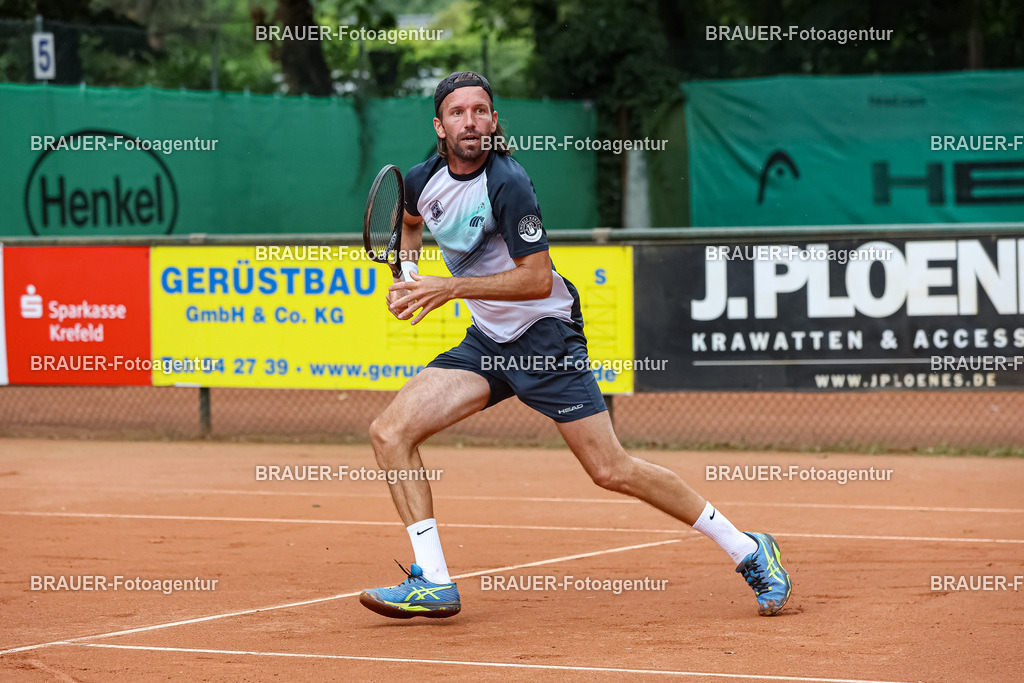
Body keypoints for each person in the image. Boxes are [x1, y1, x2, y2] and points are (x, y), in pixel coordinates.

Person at [358, 71, 791, 619]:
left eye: (481, 111)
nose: (471, 121)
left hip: (545, 337)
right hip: (488, 342)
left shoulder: (508, 183)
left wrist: (448, 288)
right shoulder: (422, 179)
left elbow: (536, 279)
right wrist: (412, 271)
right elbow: (411, 219)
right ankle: (435, 582)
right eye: (459, 113)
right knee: (389, 432)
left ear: (494, 121)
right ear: (439, 126)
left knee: (611, 470)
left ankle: (751, 550)